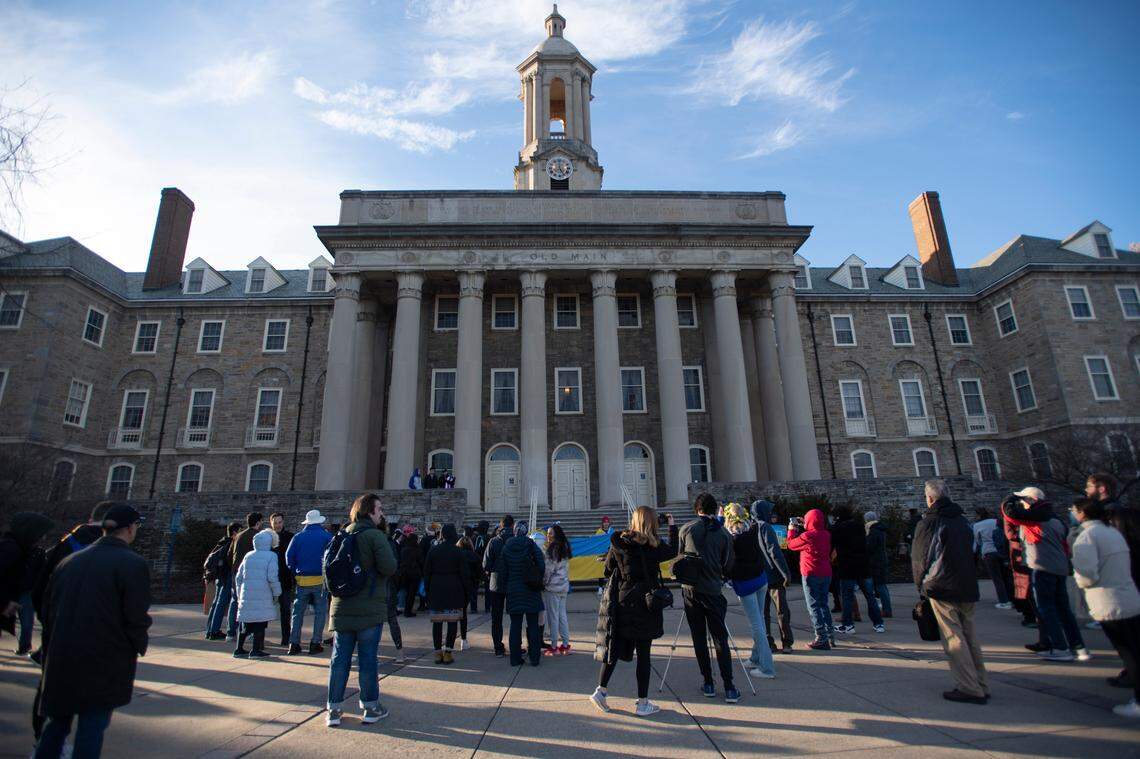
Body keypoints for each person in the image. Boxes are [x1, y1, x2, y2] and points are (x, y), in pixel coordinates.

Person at [34, 503, 151, 759]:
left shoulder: (68, 561)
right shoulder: (132, 564)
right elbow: (136, 616)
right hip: (103, 656)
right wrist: (136, 644)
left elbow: (47, 608)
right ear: (130, 529)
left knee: (56, 725)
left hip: (61, 654)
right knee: (92, 726)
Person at [29, 502, 113, 740]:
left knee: (51, 690)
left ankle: (43, 739)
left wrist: (50, 621)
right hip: (93, 634)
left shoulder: (65, 543)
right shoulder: (108, 550)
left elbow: (40, 589)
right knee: (89, 699)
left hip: (59, 629)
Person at [591, 506, 678, 717]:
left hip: (623, 599)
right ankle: (642, 703)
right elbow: (673, 551)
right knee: (644, 654)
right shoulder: (652, 547)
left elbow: (608, 569)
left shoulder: (619, 542)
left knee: (614, 647)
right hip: (645, 602)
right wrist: (672, 526)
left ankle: (600, 691)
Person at [912, 479, 989, 705]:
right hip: (966, 584)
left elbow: (920, 559)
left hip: (942, 586)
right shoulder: (963, 521)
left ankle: (968, 687)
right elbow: (974, 552)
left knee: (953, 637)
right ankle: (982, 683)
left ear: (929, 499)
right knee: (970, 635)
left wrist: (921, 586)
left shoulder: (929, 523)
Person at [326, 493, 398, 727]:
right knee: (367, 660)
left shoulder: (341, 534)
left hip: (341, 606)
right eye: (379, 509)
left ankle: (334, 710)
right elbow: (389, 567)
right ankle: (370, 707)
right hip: (367, 608)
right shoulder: (375, 536)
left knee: (339, 660)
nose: (382, 513)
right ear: (369, 511)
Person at [1002, 486, 1090, 662]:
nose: (1022, 505)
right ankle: (1078, 647)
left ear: (1031, 501)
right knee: (1064, 609)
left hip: (1043, 568)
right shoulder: (1054, 518)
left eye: (1023, 501)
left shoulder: (1036, 518)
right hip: (1059, 567)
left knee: (1046, 609)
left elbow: (1010, 513)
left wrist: (1009, 498)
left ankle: (1059, 647)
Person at [1070, 497, 1140, 718]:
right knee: (1135, 647)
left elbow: (1086, 574)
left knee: (1128, 652)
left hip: (1108, 599)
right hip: (1128, 596)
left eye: (1073, 510)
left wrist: (1081, 582)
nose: (1072, 513)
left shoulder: (1087, 537)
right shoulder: (1113, 532)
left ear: (1082, 513)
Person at [678, 493, 738, 702]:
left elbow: (680, 558)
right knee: (720, 638)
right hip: (713, 590)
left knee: (699, 638)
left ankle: (708, 682)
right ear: (714, 510)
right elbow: (729, 564)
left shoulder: (686, 529)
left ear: (697, 509)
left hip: (691, 591)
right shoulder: (723, 534)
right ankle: (729, 686)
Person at [723, 503, 775, 679]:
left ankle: (767, 667)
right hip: (761, 579)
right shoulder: (753, 530)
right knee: (759, 620)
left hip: (746, 584)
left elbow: (727, 560)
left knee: (756, 625)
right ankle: (755, 657)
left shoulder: (731, 538)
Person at [0, 513, 54, 656]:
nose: (41, 538)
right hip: (13, 596)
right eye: (40, 534)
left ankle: (24, 646)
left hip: (22, 593)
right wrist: (5, 602)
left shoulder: (18, 549)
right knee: (26, 621)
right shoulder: (10, 550)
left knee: (27, 622)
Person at [830, 504, 885, 634]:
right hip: (863, 565)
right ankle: (878, 623)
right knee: (869, 596)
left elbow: (831, 543)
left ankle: (848, 624)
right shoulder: (859, 526)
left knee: (847, 597)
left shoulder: (838, 528)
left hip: (847, 566)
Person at [498, 521, 545, 666]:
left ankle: (515, 658)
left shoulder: (506, 547)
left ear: (515, 531)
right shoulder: (531, 545)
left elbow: (502, 571)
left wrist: (505, 587)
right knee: (533, 625)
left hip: (513, 590)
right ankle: (535, 658)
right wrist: (536, 577)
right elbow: (541, 565)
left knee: (515, 625)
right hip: (531, 589)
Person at [285, 509, 332, 655]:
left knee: (297, 613)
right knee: (320, 612)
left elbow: (289, 557)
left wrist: (295, 572)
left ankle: (293, 643)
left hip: (302, 579)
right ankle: (315, 642)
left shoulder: (298, 537)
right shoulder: (326, 537)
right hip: (320, 579)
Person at [423, 524, 471, 664]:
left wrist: (427, 591)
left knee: (437, 623)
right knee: (452, 621)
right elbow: (464, 574)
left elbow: (427, 573)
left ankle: (438, 652)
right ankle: (448, 651)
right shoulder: (458, 552)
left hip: (436, 588)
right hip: (454, 588)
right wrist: (466, 592)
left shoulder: (434, 551)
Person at [787, 509, 834, 650]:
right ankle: (830, 635)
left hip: (811, 573)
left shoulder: (808, 536)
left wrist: (791, 530)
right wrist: (805, 523)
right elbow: (814, 528)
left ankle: (821, 637)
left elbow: (791, 544)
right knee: (823, 604)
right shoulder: (826, 534)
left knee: (813, 605)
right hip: (825, 573)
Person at [233, 529, 281, 659]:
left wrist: (239, 593)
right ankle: (255, 650)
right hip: (263, 593)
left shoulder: (248, 555)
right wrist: (277, 592)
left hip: (246, 593)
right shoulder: (271, 556)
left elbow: (239, 577)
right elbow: (272, 576)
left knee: (245, 622)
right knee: (260, 622)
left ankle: (239, 648)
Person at [753, 501, 793, 653]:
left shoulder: (751, 526)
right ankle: (787, 642)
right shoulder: (765, 527)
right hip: (773, 576)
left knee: (764, 613)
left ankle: (768, 642)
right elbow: (774, 551)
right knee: (782, 610)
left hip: (759, 576)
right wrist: (785, 573)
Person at [227, 512, 263, 640]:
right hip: (250, 573)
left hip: (236, 571)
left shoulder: (238, 536)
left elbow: (230, 554)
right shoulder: (257, 537)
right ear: (258, 522)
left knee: (235, 601)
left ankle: (231, 632)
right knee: (249, 603)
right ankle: (247, 632)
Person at [205, 521, 242, 640]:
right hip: (226, 575)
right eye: (240, 531)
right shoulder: (231, 543)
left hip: (219, 576)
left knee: (216, 603)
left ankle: (210, 630)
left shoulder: (222, 542)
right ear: (235, 532)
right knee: (222, 603)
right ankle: (214, 631)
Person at [483, 515, 514, 656]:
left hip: (496, 583)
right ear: (512, 525)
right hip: (514, 582)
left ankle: (498, 648)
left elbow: (486, 564)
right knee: (516, 617)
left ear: (501, 526)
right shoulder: (516, 541)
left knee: (496, 618)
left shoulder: (493, 542)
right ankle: (515, 646)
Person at [972, 508, 1012, 609]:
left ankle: (1004, 601)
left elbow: (977, 541)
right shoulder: (997, 521)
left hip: (988, 552)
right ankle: (1012, 599)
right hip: (1001, 552)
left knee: (997, 578)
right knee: (1006, 576)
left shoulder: (977, 526)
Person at [542, 525, 572, 656]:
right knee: (562, 615)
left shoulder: (552, 549)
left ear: (556, 535)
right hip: (563, 585)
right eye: (548, 533)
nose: (548, 536)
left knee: (552, 617)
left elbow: (548, 570)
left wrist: (544, 582)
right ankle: (565, 644)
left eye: (550, 533)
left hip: (553, 587)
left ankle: (554, 645)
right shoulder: (565, 547)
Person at [268, 513, 294, 646]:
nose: (277, 525)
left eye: (279, 522)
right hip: (268, 580)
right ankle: (258, 637)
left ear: (283, 522)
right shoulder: (266, 537)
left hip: (285, 579)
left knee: (285, 610)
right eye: (275, 522)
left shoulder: (290, 537)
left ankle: (286, 637)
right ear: (271, 523)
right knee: (265, 609)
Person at [381, 520, 405, 663]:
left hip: (379, 587)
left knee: (374, 623)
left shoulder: (370, 540)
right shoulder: (390, 543)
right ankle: (400, 651)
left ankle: (373, 653)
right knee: (392, 621)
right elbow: (394, 566)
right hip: (388, 586)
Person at [864, 511, 893, 618]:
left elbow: (870, 547)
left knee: (878, 586)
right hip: (881, 560)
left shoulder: (873, 531)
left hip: (875, 562)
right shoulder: (880, 529)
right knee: (881, 586)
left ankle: (885, 609)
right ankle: (885, 608)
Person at [456, 535, 481, 651]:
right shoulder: (474, 556)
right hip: (469, 586)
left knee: (454, 613)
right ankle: (463, 639)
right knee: (463, 613)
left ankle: (451, 641)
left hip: (457, 585)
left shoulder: (457, 555)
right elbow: (479, 572)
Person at [398, 531, 423, 618]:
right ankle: (408, 611)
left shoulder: (404, 549)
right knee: (411, 594)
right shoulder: (417, 550)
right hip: (414, 574)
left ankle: (403, 608)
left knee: (405, 591)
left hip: (405, 573)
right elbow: (420, 561)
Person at [473, 520, 490, 613]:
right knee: (488, 588)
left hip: (476, 564)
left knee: (475, 587)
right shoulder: (489, 538)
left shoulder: (474, 538)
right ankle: (487, 607)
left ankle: (473, 607)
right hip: (485, 565)